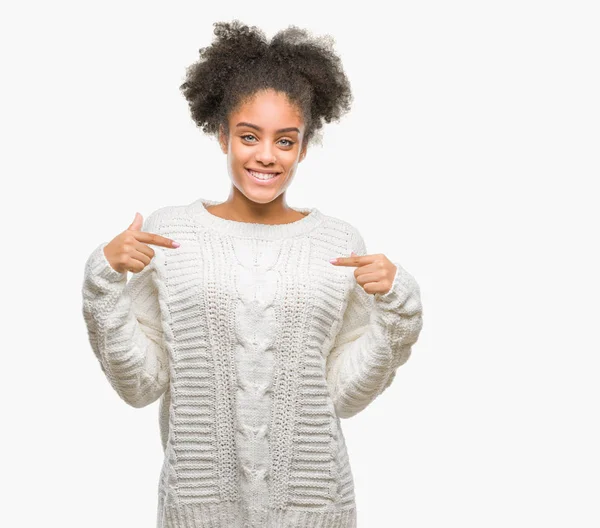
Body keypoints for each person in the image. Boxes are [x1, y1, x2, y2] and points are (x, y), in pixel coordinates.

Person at [81, 20, 424, 528]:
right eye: (249, 136)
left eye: (285, 141)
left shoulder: (338, 244)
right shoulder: (171, 235)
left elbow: (344, 397)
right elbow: (140, 385)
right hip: (198, 508)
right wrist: (103, 281)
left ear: (304, 147)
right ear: (222, 135)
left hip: (314, 507)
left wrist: (401, 312)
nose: (266, 155)